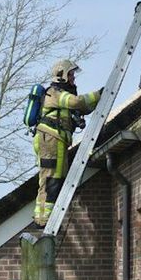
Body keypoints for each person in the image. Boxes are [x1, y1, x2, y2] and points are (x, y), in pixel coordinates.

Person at [32, 58, 102, 228]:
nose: (73, 78)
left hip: (58, 141)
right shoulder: (54, 93)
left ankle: (45, 217)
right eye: (70, 75)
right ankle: (43, 219)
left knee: (57, 178)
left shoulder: (64, 94)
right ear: (61, 75)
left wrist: (97, 99)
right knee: (50, 179)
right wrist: (99, 94)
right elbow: (76, 103)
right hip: (50, 141)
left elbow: (82, 107)